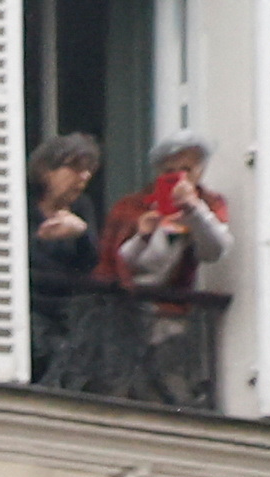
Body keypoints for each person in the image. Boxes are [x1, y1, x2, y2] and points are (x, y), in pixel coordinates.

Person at [104, 132, 231, 409]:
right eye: (170, 172)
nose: (179, 178)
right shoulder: (133, 207)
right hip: (127, 310)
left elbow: (215, 251)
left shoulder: (208, 205)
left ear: (200, 171)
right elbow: (122, 262)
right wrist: (145, 234)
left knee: (170, 392)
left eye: (187, 170)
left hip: (172, 317)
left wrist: (195, 211)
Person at [26, 131, 115, 392]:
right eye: (75, 168)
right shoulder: (24, 204)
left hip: (68, 312)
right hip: (34, 308)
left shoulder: (82, 208)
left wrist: (82, 233)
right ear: (46, 171)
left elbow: (90, 263)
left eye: (88, 170)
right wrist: (41, 239)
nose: (84, 177)